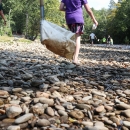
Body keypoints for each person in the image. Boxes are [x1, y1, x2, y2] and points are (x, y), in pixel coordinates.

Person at [59, 0, 98, 65]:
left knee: (73, 38)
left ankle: (70, 55)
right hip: (78, 19)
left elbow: (60, 8)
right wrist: (94, 20)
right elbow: (88, 10)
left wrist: (69, 8)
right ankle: (75, 59)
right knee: (77, 38)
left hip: (69, 19)